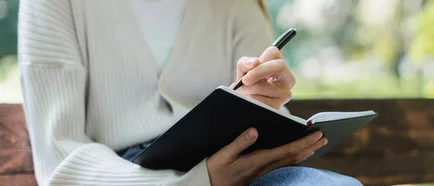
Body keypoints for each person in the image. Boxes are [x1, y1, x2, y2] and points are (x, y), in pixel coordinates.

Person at [18, 0, 362, 185]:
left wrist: (267, 104)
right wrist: (198, 182)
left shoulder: (238, 6)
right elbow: (59, 156)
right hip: (118, 177)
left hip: (238, 165)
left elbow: (262, 102)